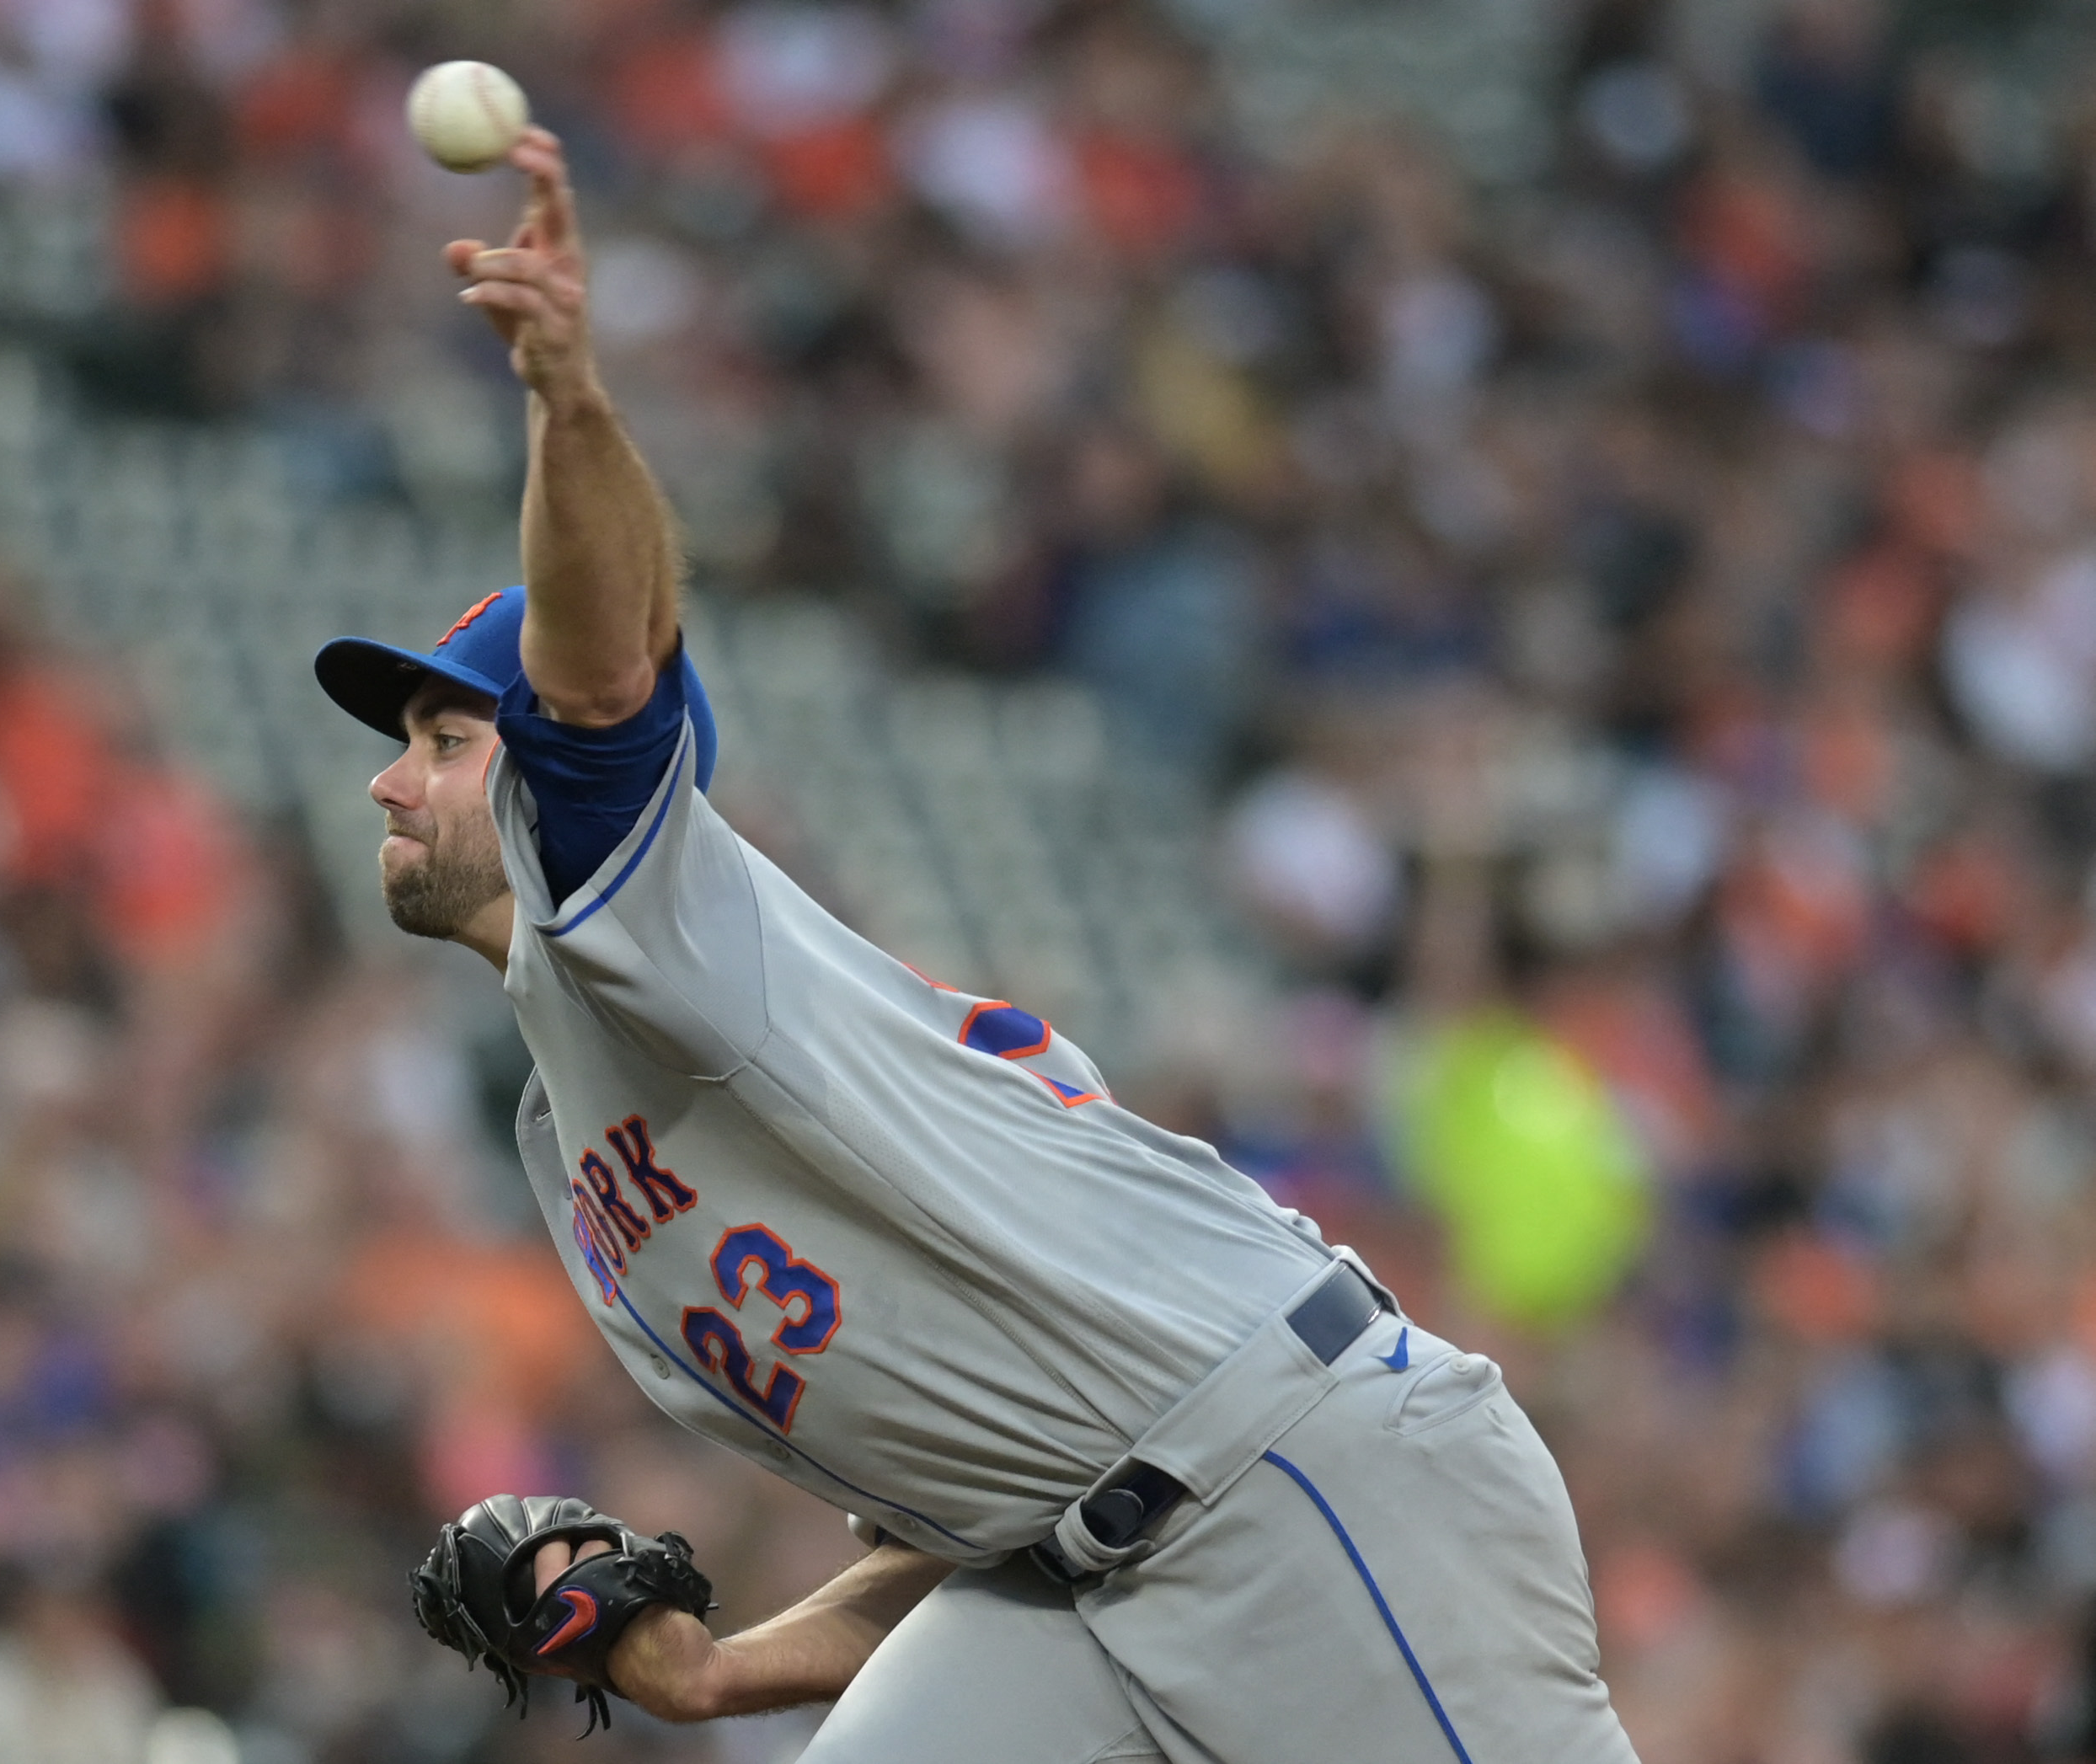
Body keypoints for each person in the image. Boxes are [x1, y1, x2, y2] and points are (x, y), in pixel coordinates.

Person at [311, 128, 1639, 1764]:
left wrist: (571, 402)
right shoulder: (571, 1112)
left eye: (445, 738)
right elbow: (1004, 1480)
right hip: (1075, 1564)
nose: (388, 774)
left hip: (1306, 1489)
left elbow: (597, 687)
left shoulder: (646, 933)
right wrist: (721, 1675)